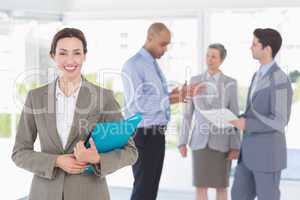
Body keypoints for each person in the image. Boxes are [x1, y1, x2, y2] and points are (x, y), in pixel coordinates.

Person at [12, 28, 138, 200]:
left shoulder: (104, 98)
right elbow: (19, 153)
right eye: (63, 53)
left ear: (84, 56)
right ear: (53, 56)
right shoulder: (35, 98)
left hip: (89, 193)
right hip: (45, 193)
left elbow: (130, 151)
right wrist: (56, 161)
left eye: (77, 53)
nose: (70, 60)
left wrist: (97, 158)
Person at [122, 22, 203, 200]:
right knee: (143, 188)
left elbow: (155, 97)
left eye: (167, 44)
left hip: (156, 134)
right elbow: (139, 104)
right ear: (150, 38)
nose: (165, 49)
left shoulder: (152, 63)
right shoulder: (133, 65)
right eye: (163, 44)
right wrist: (176, 97)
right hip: (143, 134)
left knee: (150, 189)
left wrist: (175, 94)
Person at [230, 28, 293, 200]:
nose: (251, 47)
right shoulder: (256, 76)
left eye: (254, 44)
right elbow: (254, 112)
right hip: (247, 155)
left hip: (267, 156)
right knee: (238, 196)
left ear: (267, 49)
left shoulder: (280, 78)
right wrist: (236, 117)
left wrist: (247, 124)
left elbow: (280, 121)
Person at [178, 43, 241, 200]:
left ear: (221, 60)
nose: (209, 59)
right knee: (200, 186)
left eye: (214, 56)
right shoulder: (195, 81)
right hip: (200, 142)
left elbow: (234, 116)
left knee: (221, 187)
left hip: (222, 143)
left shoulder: (230, 83)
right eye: (207, 55)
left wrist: (235, 145)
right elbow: (187, 114)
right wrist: (182, 141)